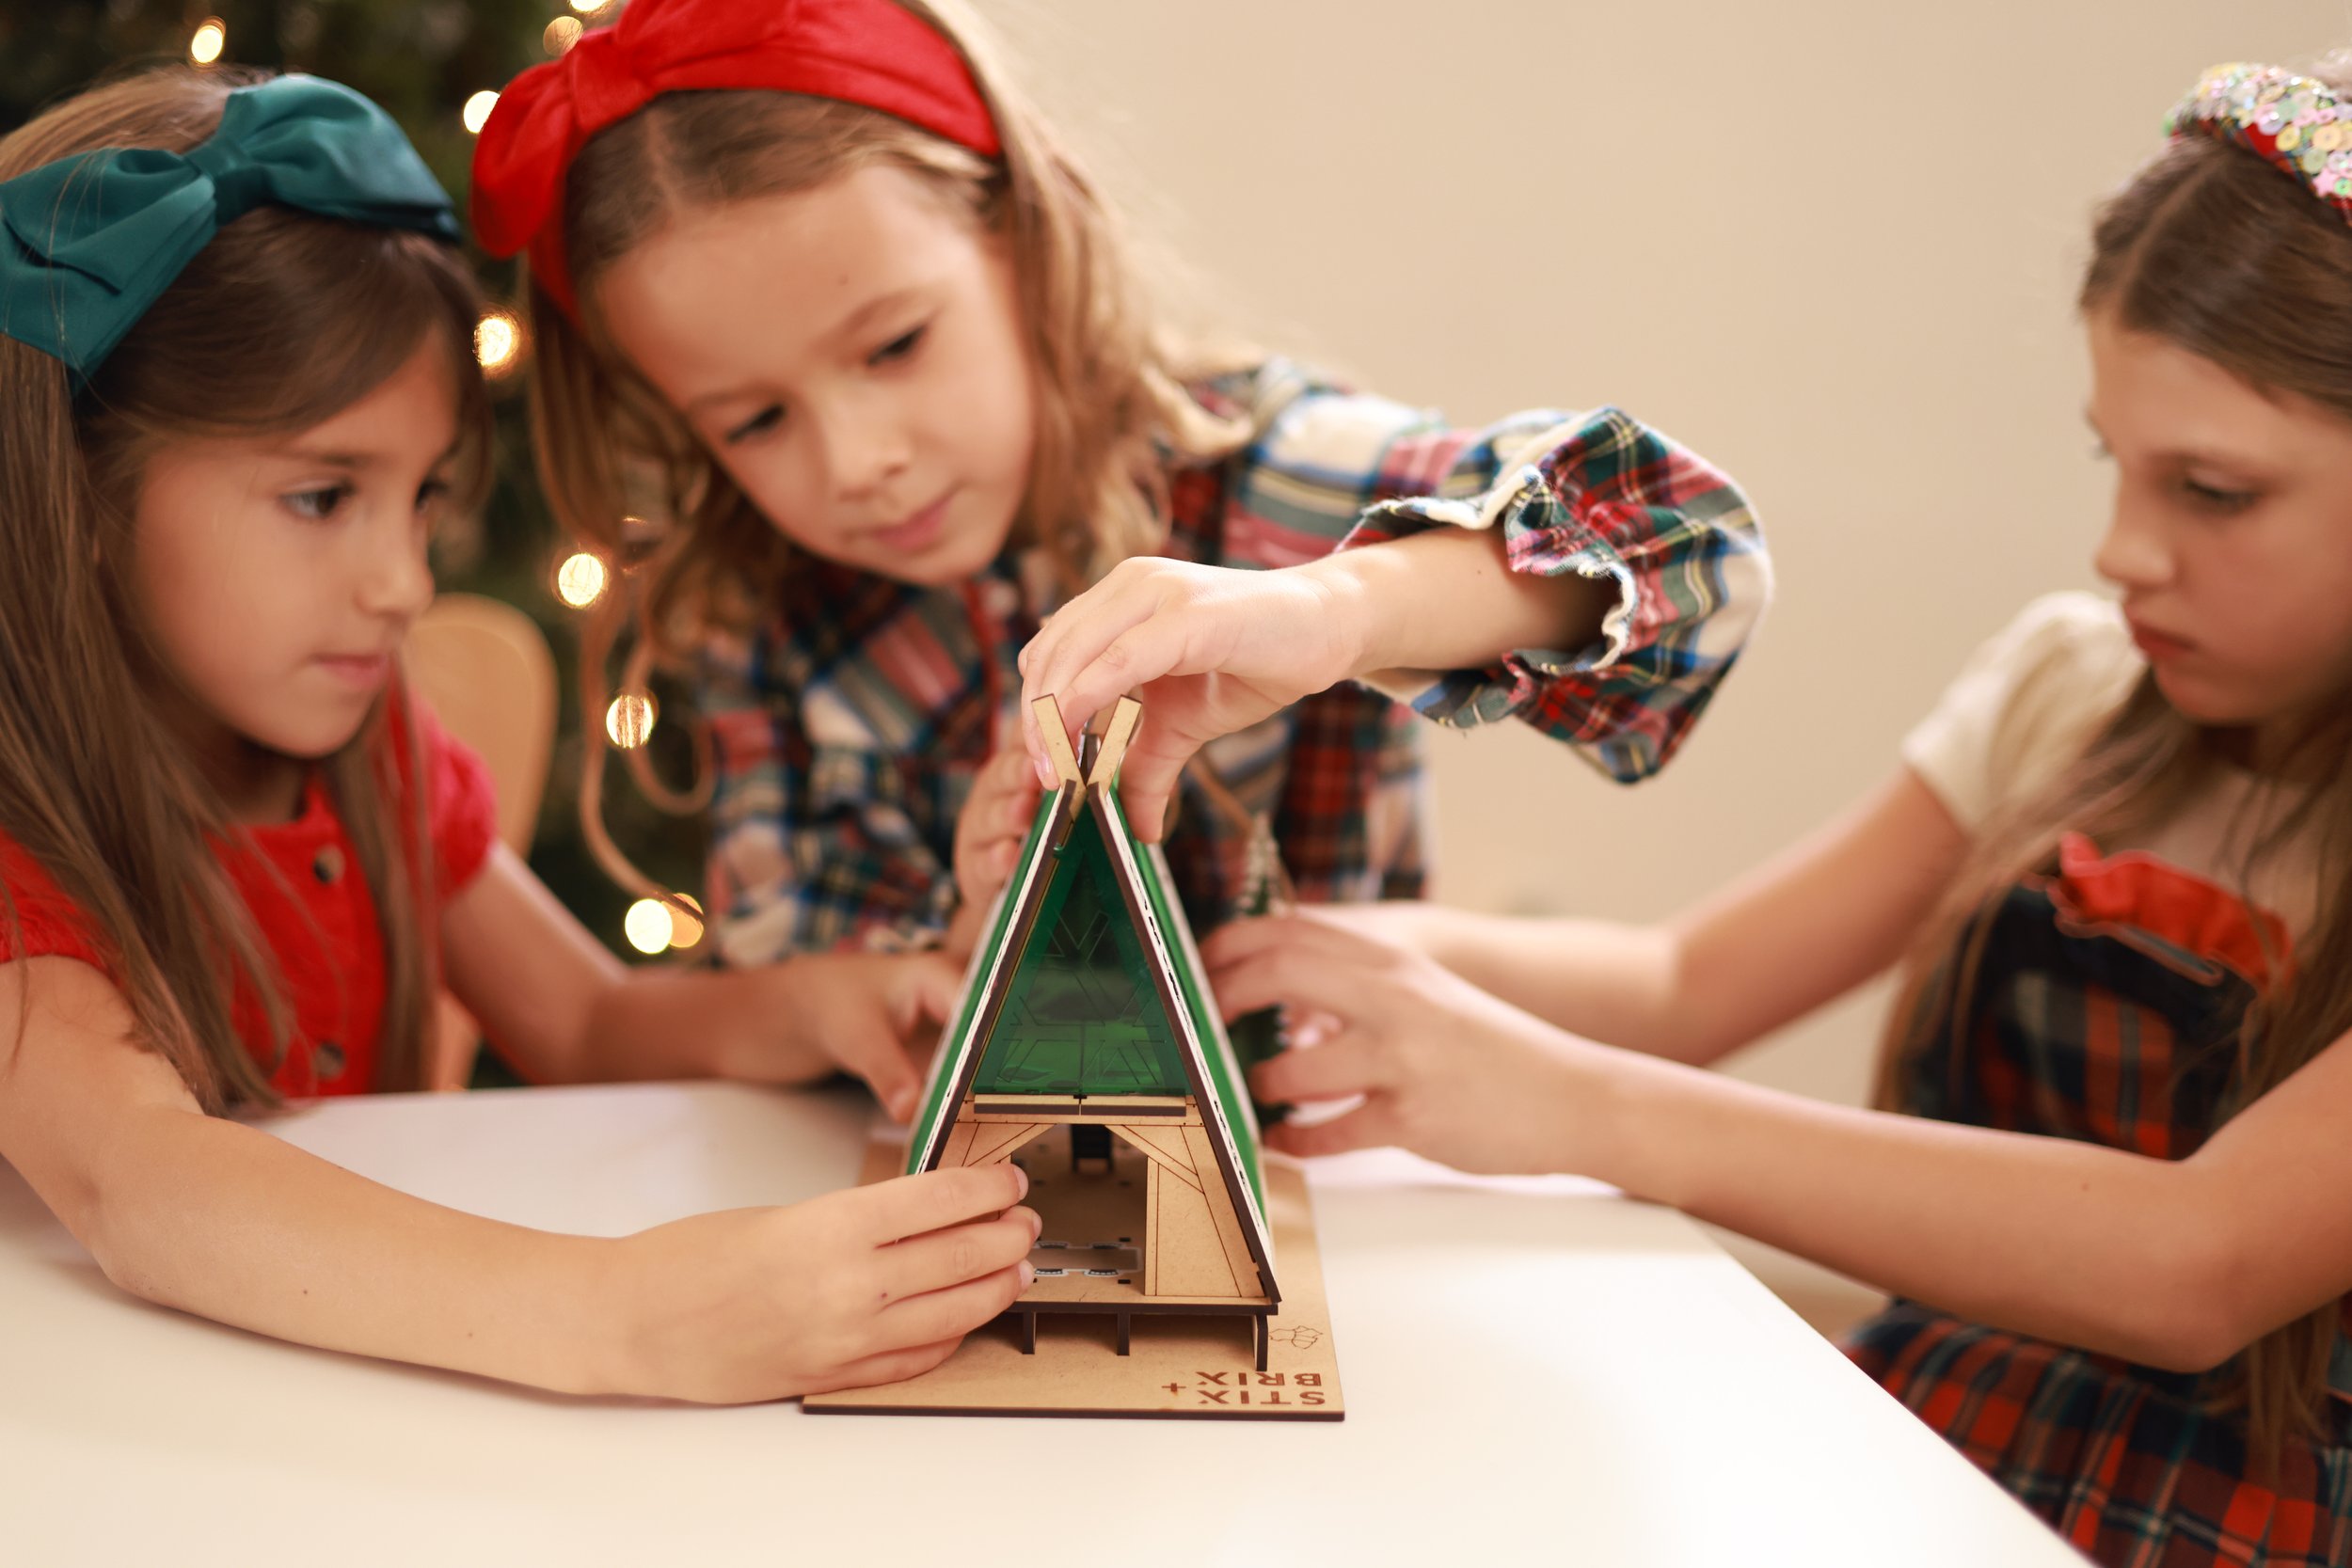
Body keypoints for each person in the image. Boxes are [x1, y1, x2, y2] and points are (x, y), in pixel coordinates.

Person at [1199, 60, 2352, 1564]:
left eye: (2211, 490)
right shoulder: (2071, 692)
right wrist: (1268, 948)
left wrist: (1571, 1106)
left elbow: (2193, 1261)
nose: (2123, 549)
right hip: (1927, 1467)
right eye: (2113, 464)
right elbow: (1680, 986)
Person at [0, 68, 1035, 1405]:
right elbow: (135, 1178)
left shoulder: (361, 746)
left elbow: (589, 1022)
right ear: (73, 492)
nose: (406, 585)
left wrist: (820, 1005)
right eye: (324, 497)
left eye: (423, 499)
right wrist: (625, 1314)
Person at [467, 0, 1771, 1022]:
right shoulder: (761, 621)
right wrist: (962, 941)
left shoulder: (1273, 475)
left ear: (1030, 233)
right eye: (753, 421)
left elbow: (1696, 555)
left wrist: (1340, 607)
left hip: (1353, 1197)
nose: (857, 460)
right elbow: (811, 968)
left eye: (895, 345)